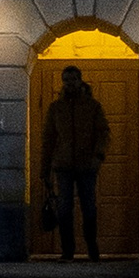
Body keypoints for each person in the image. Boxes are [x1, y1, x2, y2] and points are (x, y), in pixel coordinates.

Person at [39, 62, 110, 262]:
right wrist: (45, 169)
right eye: (66, 80)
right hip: (63, 165)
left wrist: (98, 156)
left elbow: (103, 133)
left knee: (89, 207)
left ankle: (92, 248)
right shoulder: (56, 108)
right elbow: (49, 139)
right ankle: (67, 250)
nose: (69, 84)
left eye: (73, 80)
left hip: (87, 165)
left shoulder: (92, 106)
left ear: (80, 81)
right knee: (64, 208)